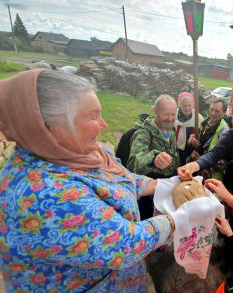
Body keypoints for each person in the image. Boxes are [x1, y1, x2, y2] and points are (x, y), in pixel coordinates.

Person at [0, 70, 177, 292]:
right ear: (48, 128)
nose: (104, 125)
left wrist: (164, 184)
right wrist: (176, 219)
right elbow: (124, 244)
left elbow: (122, 177)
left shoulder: (83, 152)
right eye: (93, 117)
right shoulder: (43, 194)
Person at [178, 103, 233, 196]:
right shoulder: (227, 137)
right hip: (231, 180)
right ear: (231, 119)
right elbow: (214, 154)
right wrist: (194, 165)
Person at [127, 94, 180, 219]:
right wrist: (154, 158)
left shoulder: (170, 130)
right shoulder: (143, 133)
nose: (170, 118)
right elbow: (134, 163)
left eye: (173, 114)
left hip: (166, 191)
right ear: (155, 111)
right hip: (149, 198)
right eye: (166, 114)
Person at [174, 92, 203, 165]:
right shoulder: (173, 115)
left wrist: (194, 138)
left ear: (193, 105)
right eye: (184, 105)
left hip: (189, 152)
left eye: (189, 105)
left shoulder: (198, 118)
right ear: (179, 105)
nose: (187, 108)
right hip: (174, 149)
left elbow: (201, 135)